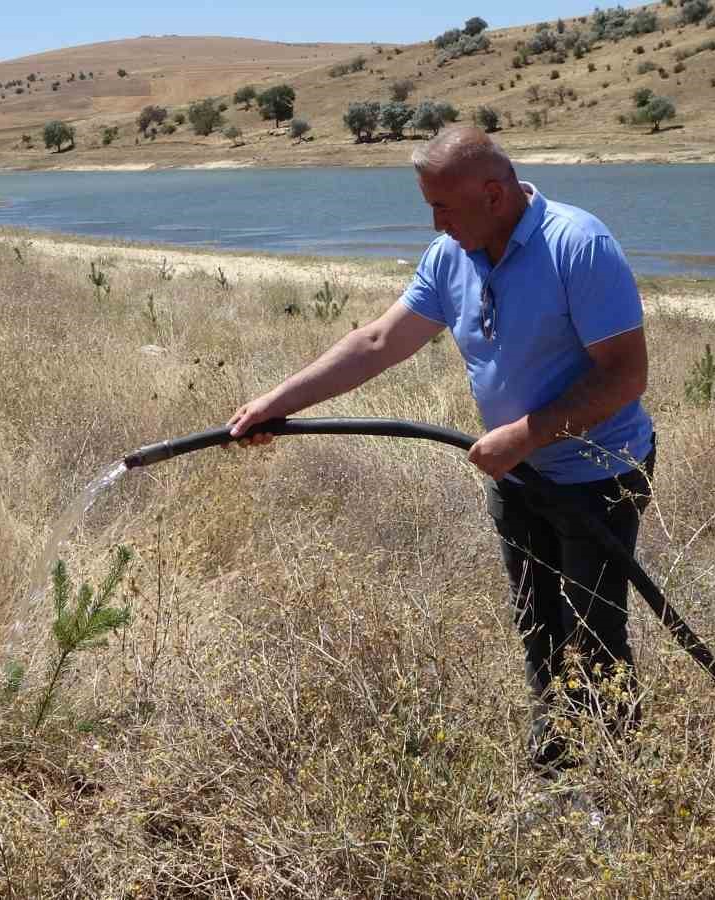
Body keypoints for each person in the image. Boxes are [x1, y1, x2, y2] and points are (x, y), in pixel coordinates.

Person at [227, 127, 656, 774]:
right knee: (537, 626)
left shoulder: (578, 243)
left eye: (443, 207)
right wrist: (279, 402)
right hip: (517, 476)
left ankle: (617, 782)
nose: (435, 221)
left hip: (596, 474)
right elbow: (377, 343)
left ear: (493, 193)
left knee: (592, 632)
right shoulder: (451, 254)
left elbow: (624, 374)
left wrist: (525, 434)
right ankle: (555, 768)